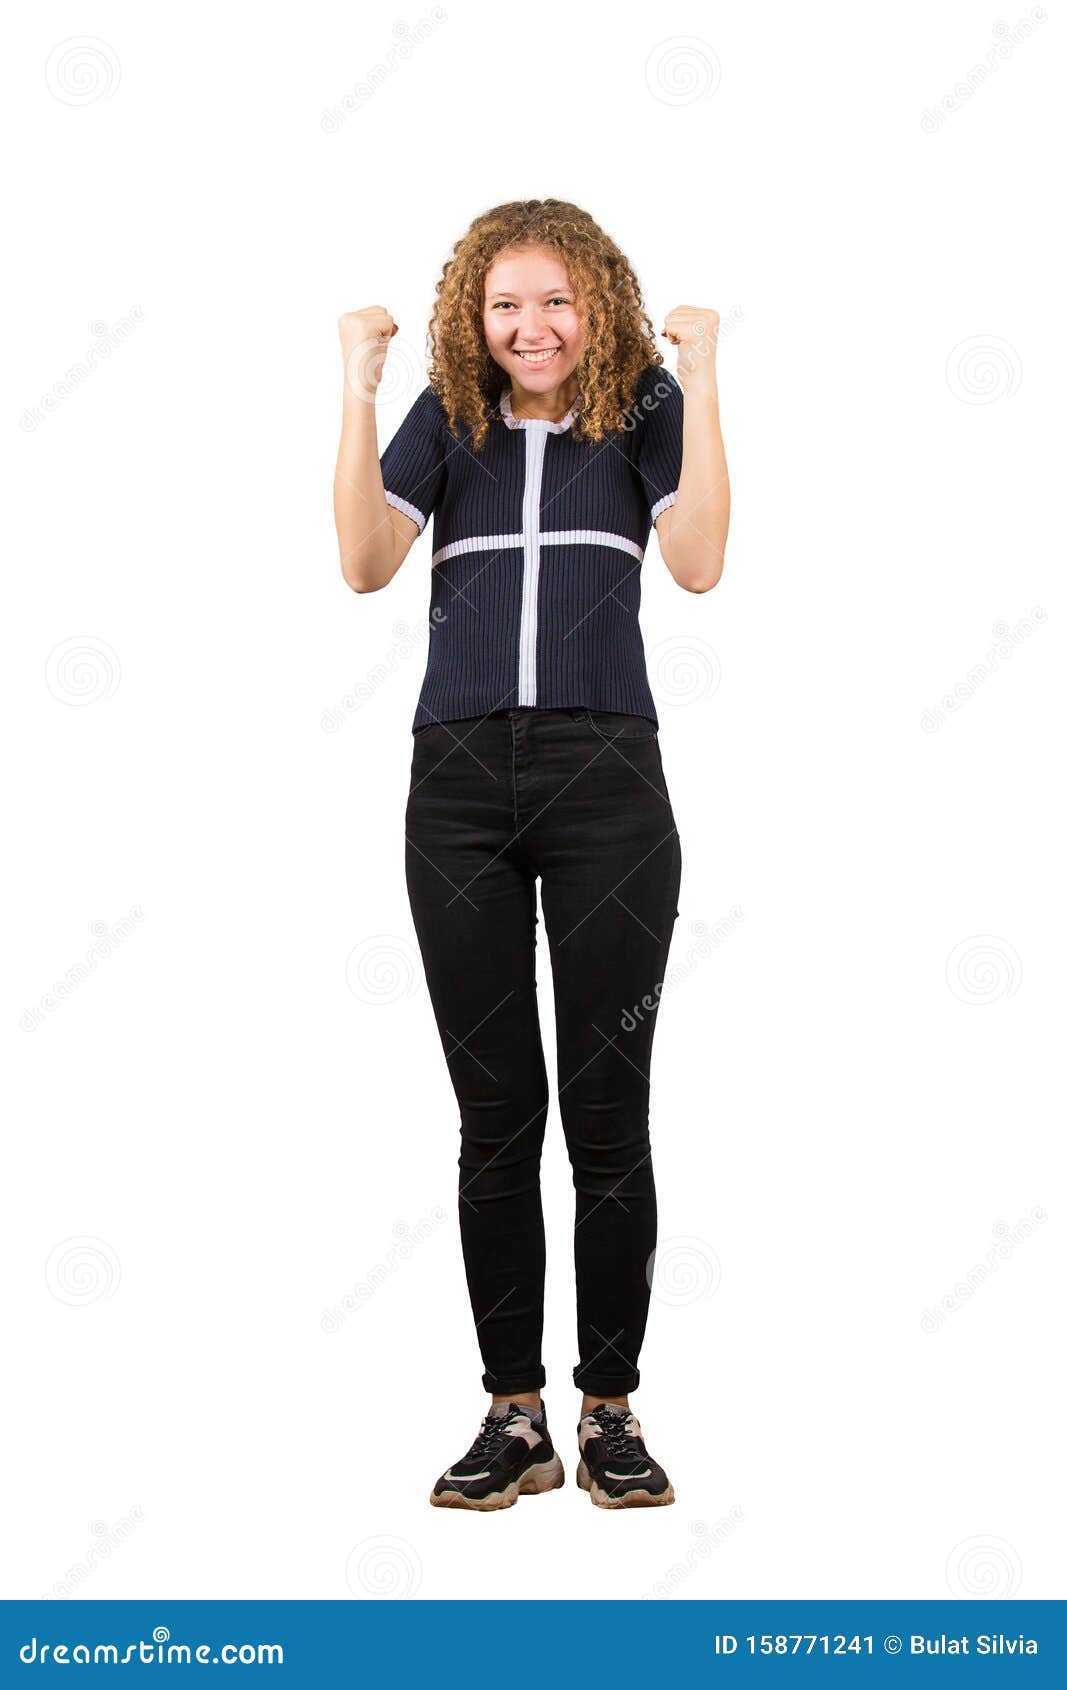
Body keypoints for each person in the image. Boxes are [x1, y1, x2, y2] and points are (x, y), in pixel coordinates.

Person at [333, 199, 729, 1510]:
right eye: (507, 304)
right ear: (474, 315)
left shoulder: (646, 410)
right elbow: (364, 559)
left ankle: (610, 1407)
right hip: (455, 786)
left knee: (607, 1113)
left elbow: (704, 559)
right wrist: (359, 379)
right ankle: (516, 1415)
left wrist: (707, 371)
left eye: (555, 301)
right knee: (497, 1115)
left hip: (609, 777)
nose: (532, 326)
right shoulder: (452, 416)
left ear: (598, 303)